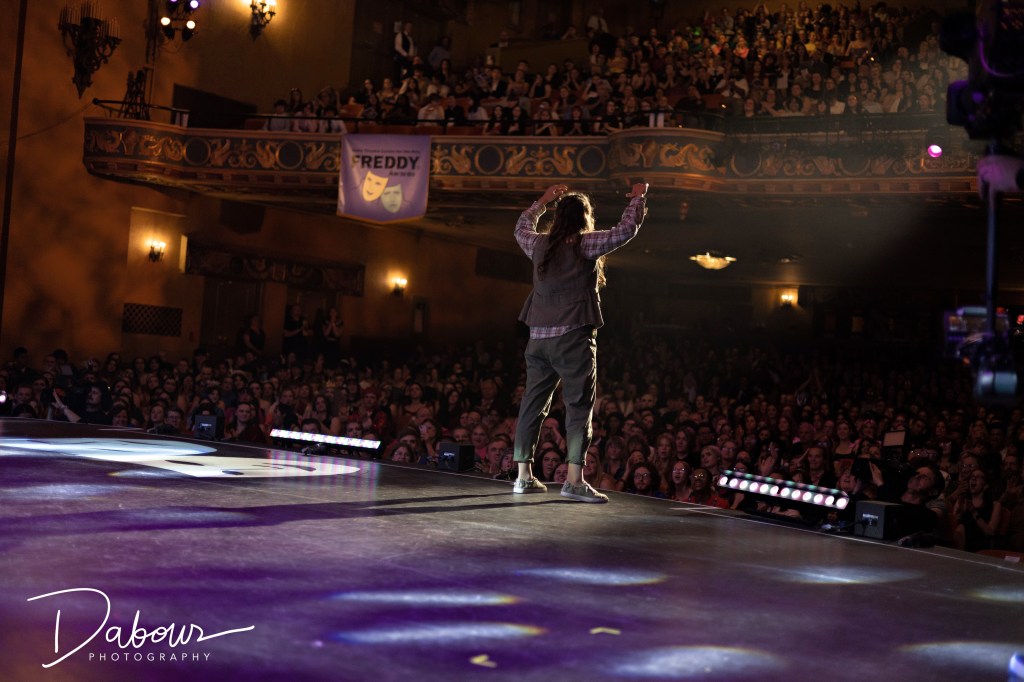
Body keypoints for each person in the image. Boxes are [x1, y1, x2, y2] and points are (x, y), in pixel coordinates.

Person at [511, 181, 649, 503]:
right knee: (577, 408)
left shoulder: (539, 245)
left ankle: (522, 477)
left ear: (558, 218)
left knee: (532, 405)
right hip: (572, 338)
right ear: (584, 218)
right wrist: (638, 198)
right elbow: (625, 230)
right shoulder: (584, 245)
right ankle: (574, 480)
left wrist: (542, 201)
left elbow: (520, 227)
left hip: (538, 339)